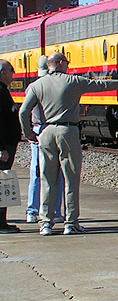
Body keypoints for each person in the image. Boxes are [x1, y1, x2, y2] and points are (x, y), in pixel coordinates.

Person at [18, 52, 118, 236]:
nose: (68, 65)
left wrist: (29, 134)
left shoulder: (36, 85)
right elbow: (101, 85)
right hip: (68, 131)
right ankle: (70, 223)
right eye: (66, 62)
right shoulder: (72, 81)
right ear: (60, 63)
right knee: (71, 178)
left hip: (45, 132)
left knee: (47, 179)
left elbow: (23, 112)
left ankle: (45, 224)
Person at [24, 56, 64, 224]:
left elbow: (24, 112)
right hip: (51, 128)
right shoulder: (53, 86)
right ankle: (54, 210)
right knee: (57, 172)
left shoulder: (32, 87)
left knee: (37, 172)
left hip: (37, 128)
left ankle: (32, 211)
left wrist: (28, 132)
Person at [0, 59, 22, 233]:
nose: (13, 74)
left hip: (6, 144)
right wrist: (1, 149)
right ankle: (0, 223)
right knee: (2, 183)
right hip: (4, 146)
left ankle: (2, 222)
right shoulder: (0, 92)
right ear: (2, 72)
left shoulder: (3, 91)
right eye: (11, 71)